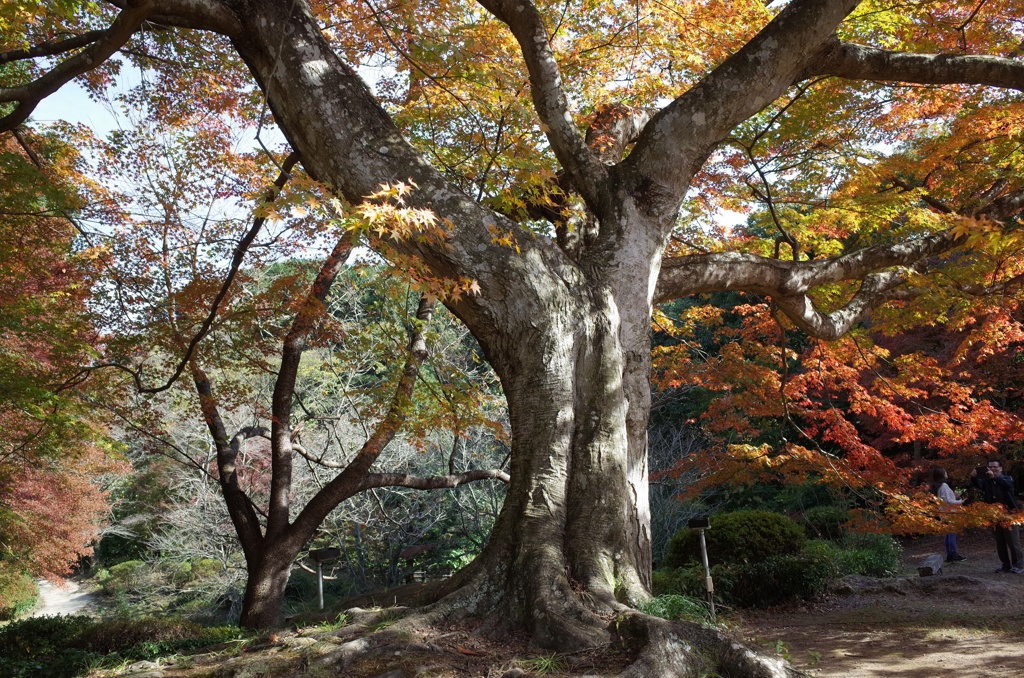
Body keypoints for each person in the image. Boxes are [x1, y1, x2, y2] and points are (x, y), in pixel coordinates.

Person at [970, 459, 1023, 574]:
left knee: (1013, 541)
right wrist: (973, 477)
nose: (992, 469)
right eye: (990, 467)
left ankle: (1018, 565)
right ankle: (1006, 565)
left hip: (1010, 515)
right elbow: (978, 485)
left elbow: (1008, 486)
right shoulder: (987, 481)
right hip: (993, 515)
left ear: (1001, 468)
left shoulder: (1007, 478)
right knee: (1000, 541)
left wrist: (994, 477)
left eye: (995, 467)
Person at [930, 466, 966, 562]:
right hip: (950, 512)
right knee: (951, 534)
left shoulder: (937, 486)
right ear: (941, 474)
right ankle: (953, 555)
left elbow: (944, 499)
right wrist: (960, 501)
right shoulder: (944, 486)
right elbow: (949, 501)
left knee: (948, 534)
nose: (947, 473)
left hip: (943, 512)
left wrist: (954, 496)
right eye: (945, 472)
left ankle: (950, 555)